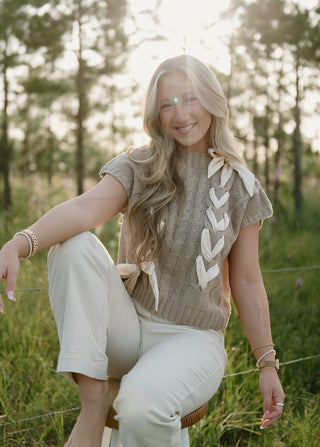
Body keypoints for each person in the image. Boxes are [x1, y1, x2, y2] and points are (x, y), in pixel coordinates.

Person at [0, 54, 285, 447]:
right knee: (74, 247)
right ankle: (93, 400)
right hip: (127, 327)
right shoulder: (140, 165)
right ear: (155, 112)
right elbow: (85, 208)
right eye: (166, 104)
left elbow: (248, 281)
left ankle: (130, 405)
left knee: (139, 405)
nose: (179, 114)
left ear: (212, 100)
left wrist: (266, 362)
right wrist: (19, 244)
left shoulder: (241, 186)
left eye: (189, 99)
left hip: (193, 339)